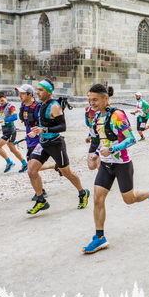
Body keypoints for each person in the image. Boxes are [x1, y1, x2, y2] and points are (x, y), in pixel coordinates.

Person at [81, 84, 149, 254]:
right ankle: (100, 237)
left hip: (122, 164)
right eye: (89, 100)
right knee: (97, 199)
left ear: (106, 98)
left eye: (95, 99)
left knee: (129, 199)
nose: (92, 103)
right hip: (106, 164)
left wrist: (112, 149)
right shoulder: (97, 117)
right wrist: (97, 153)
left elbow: (131, 139)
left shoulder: (117, 115)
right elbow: (103, 140)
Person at [26, 79, 90, 214]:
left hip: (56, 144)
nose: (37, 92)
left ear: (49, 92)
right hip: (43, 143)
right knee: (31, 170)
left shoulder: (54, 106)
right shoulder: (42, 105)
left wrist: (44, 130)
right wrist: (36, 131)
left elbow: (62, 126)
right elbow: (44, 124)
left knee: (66, 172)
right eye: (37, 89)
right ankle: (41, 200)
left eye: (40, 90)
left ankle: (82, 192)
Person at [0, 91, 28, 173]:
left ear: (6, 98)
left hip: (10, 131)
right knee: (13, 150)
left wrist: (4, 120)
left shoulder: (11, 107)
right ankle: (24, 164)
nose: (1, 102)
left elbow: (15, 117)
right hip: (5, 130)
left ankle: (9, 163)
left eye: (2, 100)